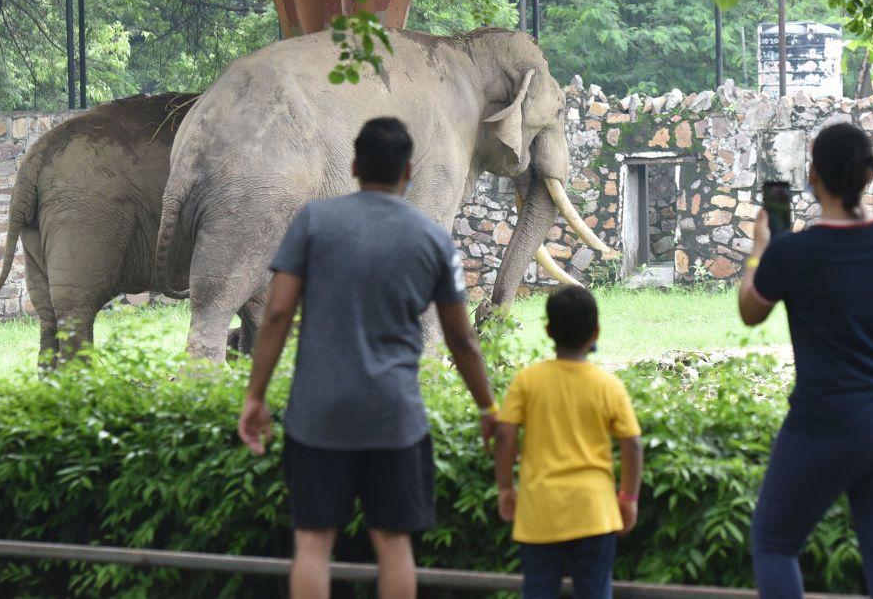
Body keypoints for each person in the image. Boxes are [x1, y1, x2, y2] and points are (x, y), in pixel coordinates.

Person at [237, 117, 498, 599]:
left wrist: (255, 396)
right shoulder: (433, 238)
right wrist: (487, 407)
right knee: (394, 545)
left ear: (354, 165)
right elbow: (462, 340)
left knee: (313, 544)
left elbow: (275, 315)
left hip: (316, 415)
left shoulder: (314, 221)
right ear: (410, 171)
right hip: (395, 416)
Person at [739, 122, 873, 599]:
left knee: (774, 543)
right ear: (863, 176)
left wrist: (760, 249)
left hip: (825, 423)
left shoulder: (792, 252)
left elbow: (751, 311)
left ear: (814, 176)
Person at [495, 286, 644, 599]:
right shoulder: (608, 386)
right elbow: (632, 444)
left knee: (537, 591)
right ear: (596, 332)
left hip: (539, 509)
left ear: (548, 330)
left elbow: (505, 434)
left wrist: (506, 488)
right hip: (594, 510)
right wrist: (629, 496)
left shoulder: (527, 381)